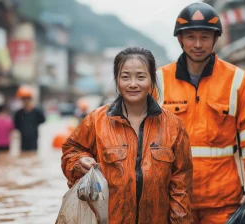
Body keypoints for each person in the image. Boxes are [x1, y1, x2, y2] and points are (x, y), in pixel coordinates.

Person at [155, 3, 245, 223]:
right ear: (180, 39)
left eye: (205, 37)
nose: (198, 44)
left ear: (215, 39)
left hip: (224, 201)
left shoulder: (237, 80)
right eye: (190, 37)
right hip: (174, 198)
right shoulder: (158, 81)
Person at [61, 47, 193, 223]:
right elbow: (71, 150)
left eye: (140, 77)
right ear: (116, 80)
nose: (132, 84)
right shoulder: (96, 120)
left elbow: (181, 185)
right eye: (125, 77)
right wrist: (80, 162)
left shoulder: (174, 126)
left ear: (152, 80)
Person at [14, 86, 45, 151]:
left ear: (30, 99)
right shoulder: (19, 113)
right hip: (23, 139)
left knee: (33, 154)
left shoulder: (37, 112)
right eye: (24, 99)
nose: (26, 101)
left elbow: (43, 120)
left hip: (34, 139)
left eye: (27, 98)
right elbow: (16, 125)